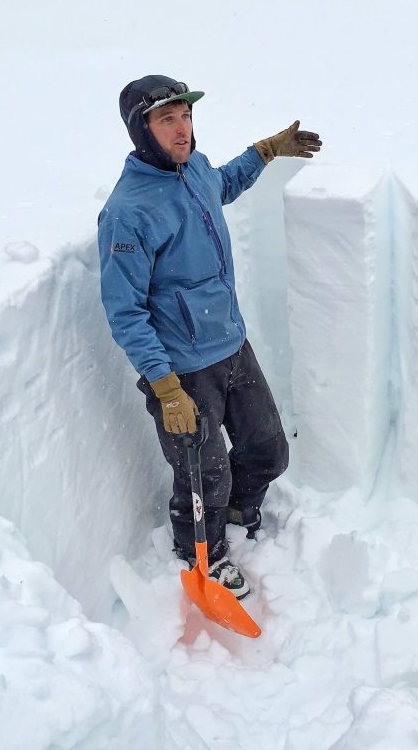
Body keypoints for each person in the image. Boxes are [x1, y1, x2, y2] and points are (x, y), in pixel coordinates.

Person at [98, 75, 322, 599]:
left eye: (186, 115)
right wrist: (166, 388)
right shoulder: (128, 211)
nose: (182, 129)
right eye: (167, 119)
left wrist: (264, 152)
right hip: (183, 368)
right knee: (203, 481)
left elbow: (220, 185)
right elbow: (125, 312)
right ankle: (204, 553)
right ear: (142, 131)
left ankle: (240, 516)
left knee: (268, 451)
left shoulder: (192, 168)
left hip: (231, 345)